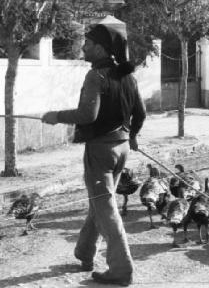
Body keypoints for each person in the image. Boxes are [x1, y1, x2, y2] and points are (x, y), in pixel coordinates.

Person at [42, 24, 146, 286]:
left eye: (87, 43)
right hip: (121, 148)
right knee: (99, 203)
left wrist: (56, 116)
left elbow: (88, 115)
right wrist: (132, 135)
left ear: (100, 48)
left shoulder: (96, 76)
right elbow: (141, 113)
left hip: (100, 151)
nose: (83, 47)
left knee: (106, 208)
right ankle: (85, 253)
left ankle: (122, 271)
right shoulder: (128, 76)